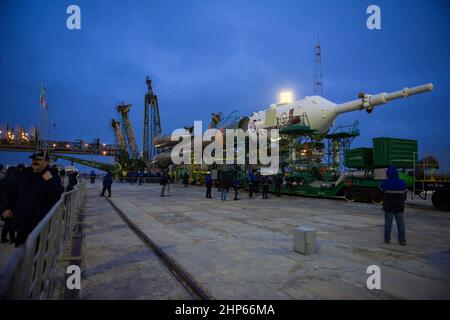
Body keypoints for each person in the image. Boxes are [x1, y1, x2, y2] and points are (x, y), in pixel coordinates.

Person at [0, 151, 63, 246]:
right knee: (21, 252)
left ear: (47, 162)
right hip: (23, 222)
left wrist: (48, 177)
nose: (35, 161)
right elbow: (11, 193)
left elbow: (57, 194)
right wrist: (5, 208)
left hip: (41, 223)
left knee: (38, 253)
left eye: (39, 159)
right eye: (33, 159)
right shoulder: (24, 175)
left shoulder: (50, 175)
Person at [380, 165, 407, 245]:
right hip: (399, 207)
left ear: (388, 173)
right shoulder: (403, 183)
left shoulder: (385, 183)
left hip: (388, 207)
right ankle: (402, 240)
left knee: (388, 224)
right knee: (401, 224)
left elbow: (381, 191)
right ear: (397, 173)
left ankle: (387, 240)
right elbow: (405, 195)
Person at [0, 166, 16, 243]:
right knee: (10, 222)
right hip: (10, 204)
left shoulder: (3, 180)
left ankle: (4, 238)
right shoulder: (13, 181)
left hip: (2, 203)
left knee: (7, 222)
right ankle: (11, 239)